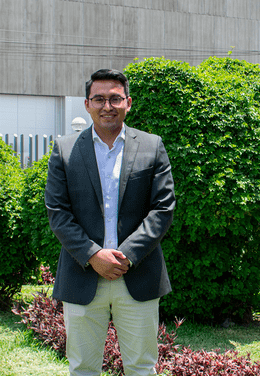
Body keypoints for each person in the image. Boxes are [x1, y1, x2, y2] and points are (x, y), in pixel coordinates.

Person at [45, 68, 176, 376]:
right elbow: (57, 211)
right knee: (83, 369)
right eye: (99, 98)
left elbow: (162, 208)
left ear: (128, 103)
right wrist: (93, 255)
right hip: (82, 274)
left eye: (115, 98)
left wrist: (125, 256)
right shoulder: (65, 150)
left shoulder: (151, 145)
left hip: (138, 273)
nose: (107, 106)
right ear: (87, 104)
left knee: (142, 368)